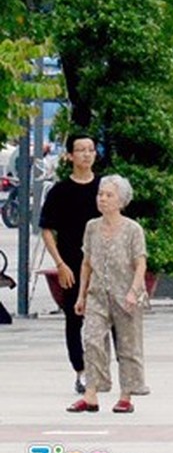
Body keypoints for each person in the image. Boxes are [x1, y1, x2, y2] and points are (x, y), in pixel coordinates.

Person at [68, 175, 148, 414]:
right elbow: (86, 263)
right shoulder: (91, 226)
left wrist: (134, 292)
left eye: (108, 195)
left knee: (128, 345)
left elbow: (140, 263)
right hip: (97, 294)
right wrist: (81, 295)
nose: (102, 199)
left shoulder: (133, 229)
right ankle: (91, 393)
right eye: (100, 194)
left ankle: (126, 396)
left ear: (121, 200)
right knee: (92, 340)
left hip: (126, 295)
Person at [39, 132, 101, 395]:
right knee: (74, 319)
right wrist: (60, 264)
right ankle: (81, 371)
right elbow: (46, 230)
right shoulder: (60, 191)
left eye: (91, 149)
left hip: (101, 265)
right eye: (81, 150)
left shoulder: (105, 188)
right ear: (70, 155)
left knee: (105, 319)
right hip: (72, 264)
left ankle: (103, 369)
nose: (87, 154)